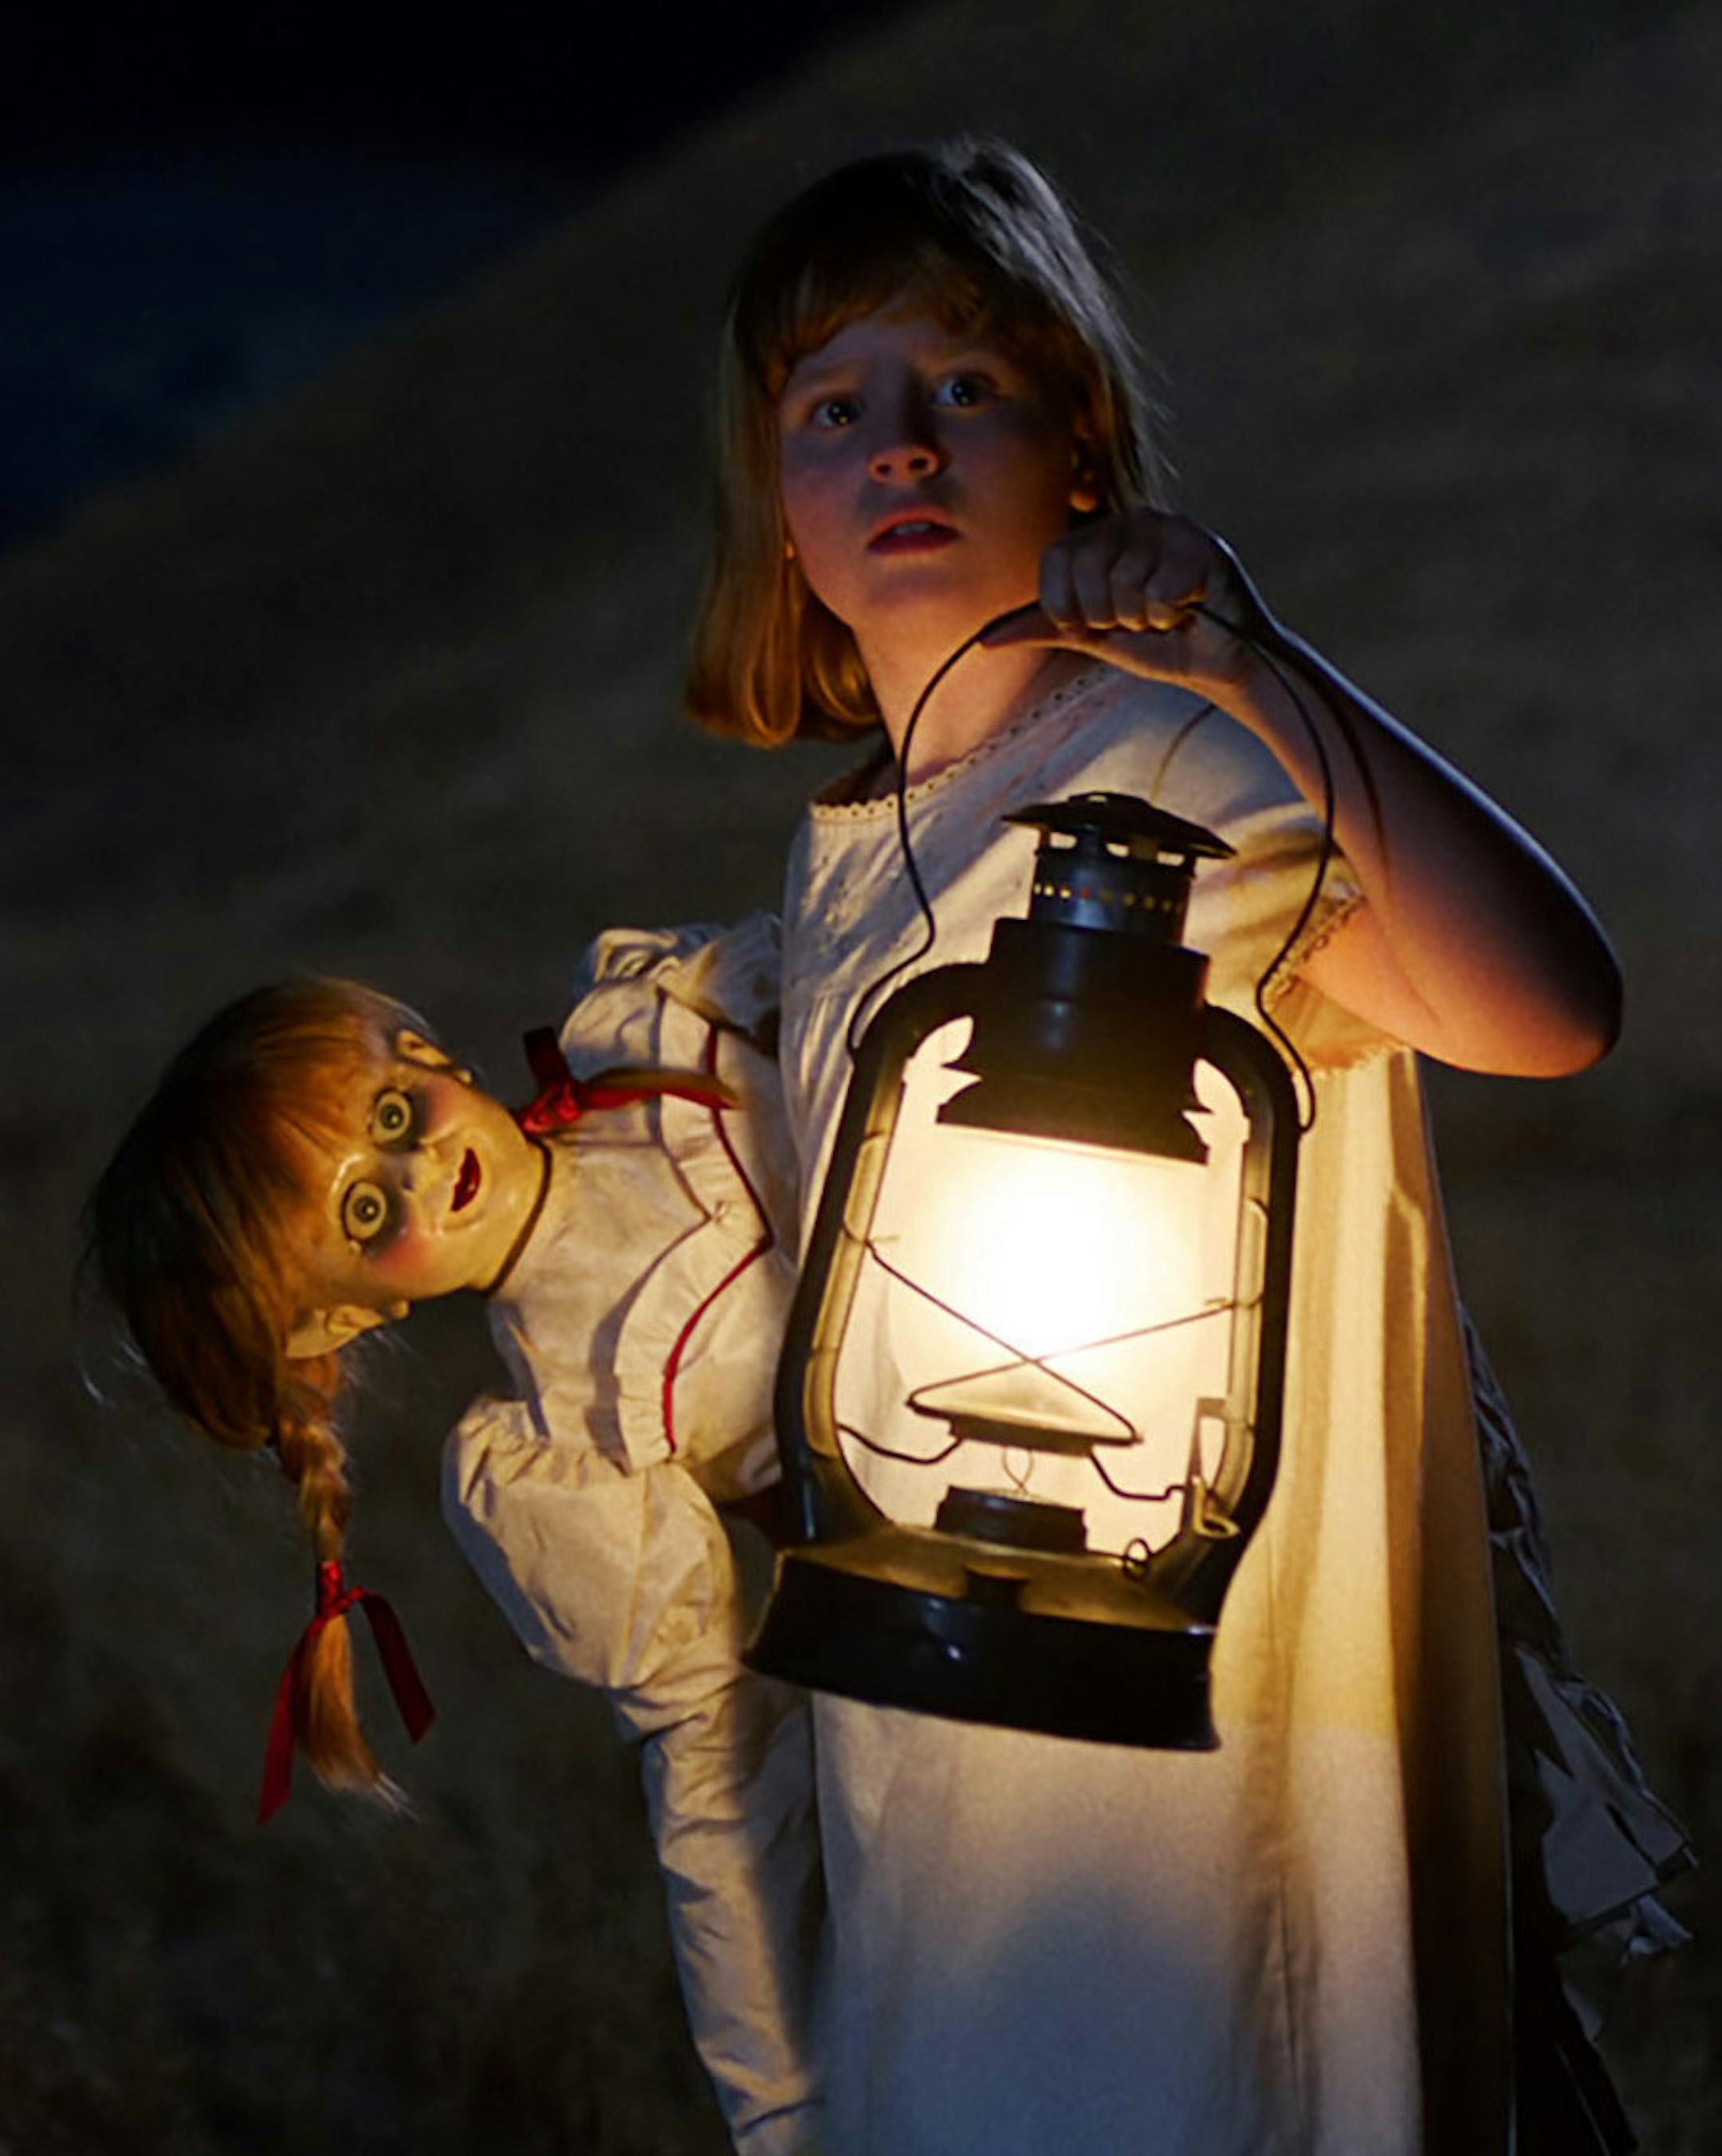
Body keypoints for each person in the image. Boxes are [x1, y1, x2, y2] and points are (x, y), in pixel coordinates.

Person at [685, 139, 1688, 2155]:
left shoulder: (1197, 760)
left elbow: (1549, 1011)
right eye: (833, 406)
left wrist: (1251, 657)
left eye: (963, 387)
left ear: (1083, 446)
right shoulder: (834, 869)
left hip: (1226, 1737)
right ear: (778, 521)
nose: (897, 446)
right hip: (941, 1736)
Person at [86, 924, 824, 2156]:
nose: (425, 1166)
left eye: (389, 1113)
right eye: (370, 1212)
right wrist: (788, 2105)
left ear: (423, 1053)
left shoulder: (662, 1041)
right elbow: (708, 1749)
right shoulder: (567, 1439)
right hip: (951, 1543)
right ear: (341, 1315)